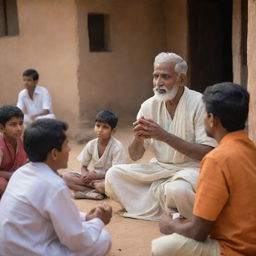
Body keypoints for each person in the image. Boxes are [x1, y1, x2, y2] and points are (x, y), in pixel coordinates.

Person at [105, 52, 217, 220]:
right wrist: (138, 138)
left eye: (165, 77)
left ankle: (188, 215)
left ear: (181, 80)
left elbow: (207, 152)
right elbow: (135, 155)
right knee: (113, 175)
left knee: (176, 190)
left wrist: (164, 136)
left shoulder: (199, 103)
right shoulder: (148, 106)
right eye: (155, 76)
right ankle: (171, 210)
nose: (158, 83)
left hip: (192, 170)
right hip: (159, 169)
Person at [151, 82, 256, 256]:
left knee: (161, 247)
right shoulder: (250, 148)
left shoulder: (216, 159)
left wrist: (171, 226)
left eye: (205, 113)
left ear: (213, 120)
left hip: (236, 250)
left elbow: (198, 232)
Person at [0, 119, 112, 256]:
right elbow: (77, 241)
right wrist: (98, 222)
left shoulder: (20, 173)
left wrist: (86, 218)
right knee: (103, 239)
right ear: (54, 153)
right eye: (66, 145)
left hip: (8, 250)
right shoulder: (54, 185)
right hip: (31, 251)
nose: (70, 149)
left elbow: (55, 213)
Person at [64, 110, 126, 200]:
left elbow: (115, 173)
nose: (100, 130)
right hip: (93, 179)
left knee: (102, 186)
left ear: (113, 131)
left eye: (105, 127)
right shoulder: (91, 144)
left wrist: (95, 177)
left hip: (108, 179)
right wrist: (85, 175)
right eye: (98, 126)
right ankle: (90, 193)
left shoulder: (117, 147)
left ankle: (87, 192)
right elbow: (83, 166)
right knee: (66, 177)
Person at [0, 105, 27, 198]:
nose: (19, 128)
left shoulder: (23, 141)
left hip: (17, 179)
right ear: (1, 128)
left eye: (21, 123)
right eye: (13, 124)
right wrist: (13, 175)